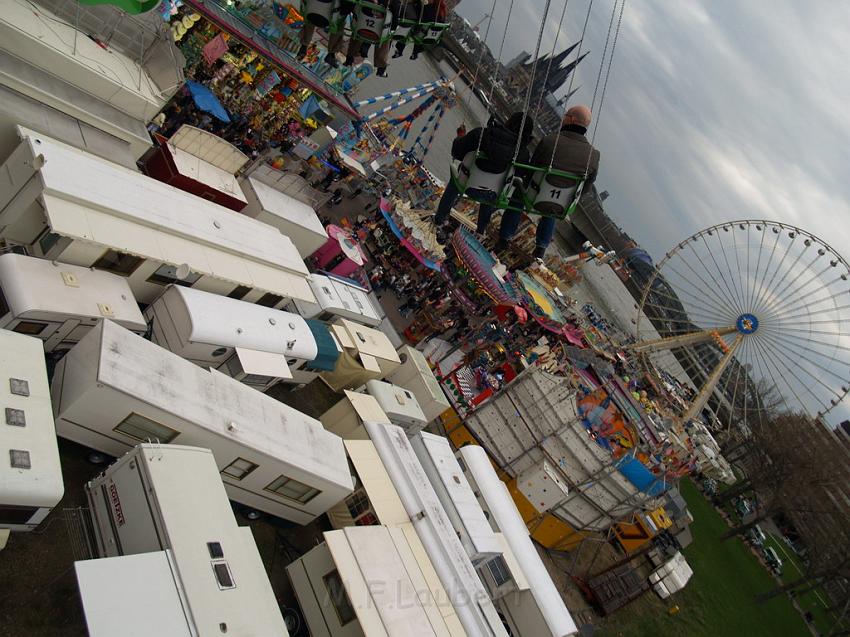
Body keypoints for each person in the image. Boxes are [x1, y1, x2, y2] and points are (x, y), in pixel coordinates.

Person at [502, 104, 601, 259]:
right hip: (560, 205)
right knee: (554, 206)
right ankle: (541, 248)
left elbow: (531, 169)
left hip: (535, 197)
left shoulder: (550, 141)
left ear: (572, 119)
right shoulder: (594, 155)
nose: (563, 118)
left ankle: (504, 237)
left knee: (519, 195)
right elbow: (586, 187)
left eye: (566, 115)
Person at [433, 112, 534, 242]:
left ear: (508, 121)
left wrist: (460, 136)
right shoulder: (523, 154)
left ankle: (439, 218)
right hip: (491, 195)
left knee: (456, 178)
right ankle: (481, 230)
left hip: (466, 186)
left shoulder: (481, 134)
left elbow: (457, 152)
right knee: (497, 187)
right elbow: (518, 177)